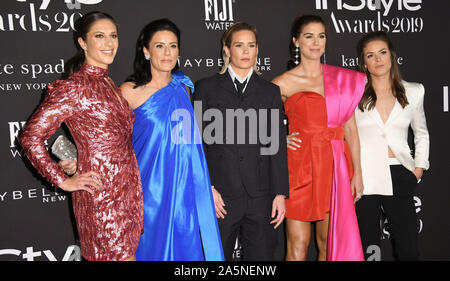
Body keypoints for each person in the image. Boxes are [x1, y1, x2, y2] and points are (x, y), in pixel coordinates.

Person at [19, 11, 143, 261]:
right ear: (82, 42)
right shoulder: (74, 87)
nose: (109, 43)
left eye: (113, 36)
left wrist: (80, 158)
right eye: (100, 36)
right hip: (101, 196)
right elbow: (30, 137)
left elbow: (105, 138)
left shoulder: (110, 85)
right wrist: (62, 180)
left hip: (127, 192)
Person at [120, 18, 223, 261]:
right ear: (146, 51)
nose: (167, 53)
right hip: (148, 192)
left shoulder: (184, 88)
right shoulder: (129, 91)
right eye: (159, 46)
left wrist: (204, 187)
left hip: (184, 191)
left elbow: (190, 146)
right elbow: (111, 143)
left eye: (173, 46)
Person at [272, 15, 365, 261]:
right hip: (299, 168)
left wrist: (358, 173)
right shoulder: (282, 83)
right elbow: (260, 127)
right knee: (298, 245)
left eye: (321, 36)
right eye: (309, 36)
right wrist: (280, 140)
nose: (316, 43)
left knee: (328, 243)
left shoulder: (342, 80)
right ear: (296, 42)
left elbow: (351, 131)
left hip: (334, 167)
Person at [193, 22, 289, 261]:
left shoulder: (270, 92)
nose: (246, 52)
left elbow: (275, 145)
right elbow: (195, 145)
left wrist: (279, 193)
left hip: (261, 195)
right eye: (239, 45)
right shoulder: (205, 88)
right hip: (220, 196)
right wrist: (207, 188)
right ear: (226, 50)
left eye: (251, 45)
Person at [355, 31, 429, 261]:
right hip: (365, 175)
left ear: (392, 56)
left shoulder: (414, 91)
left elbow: (421, 133)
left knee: (407, 247)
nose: (378, 59)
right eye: (371, 55)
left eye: (382, 53)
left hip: (400, 171)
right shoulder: (355, 92)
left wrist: (418, 169)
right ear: (364, 63)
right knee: (370, 248)